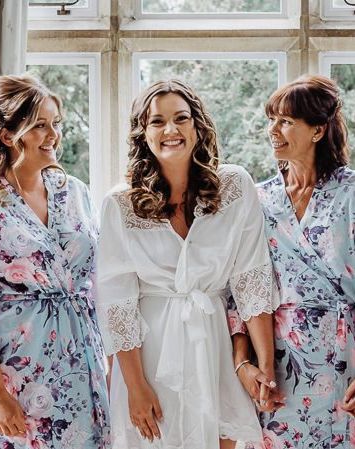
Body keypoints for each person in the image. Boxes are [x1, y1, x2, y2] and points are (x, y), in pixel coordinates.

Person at [95, 79, 280, 449]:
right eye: (157, 122)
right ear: (142, 134)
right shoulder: (119, 204)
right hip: (149, 356)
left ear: (198, 126)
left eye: (181, 118)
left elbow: (252, 280)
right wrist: (135, 388)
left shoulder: (235, 186)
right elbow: (117, 305)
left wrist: (266, 367)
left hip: (213, 350)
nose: (171, 130)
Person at [0, 74, 110, 449]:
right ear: (7, 136)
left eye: (56, 124)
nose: (53, 134)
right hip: (17, 371)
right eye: (39, 126)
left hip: (81, 363)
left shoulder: (75, 192)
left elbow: (98, 282)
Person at [228, 75, 355, 448]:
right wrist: (243, 363)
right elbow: (239, 288)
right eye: (272, 120)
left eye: (285, 121)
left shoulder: (351, 192)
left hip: (344, 364)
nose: (273, 130)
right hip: (277, 368)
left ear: (317, 130)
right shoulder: (258, 199)